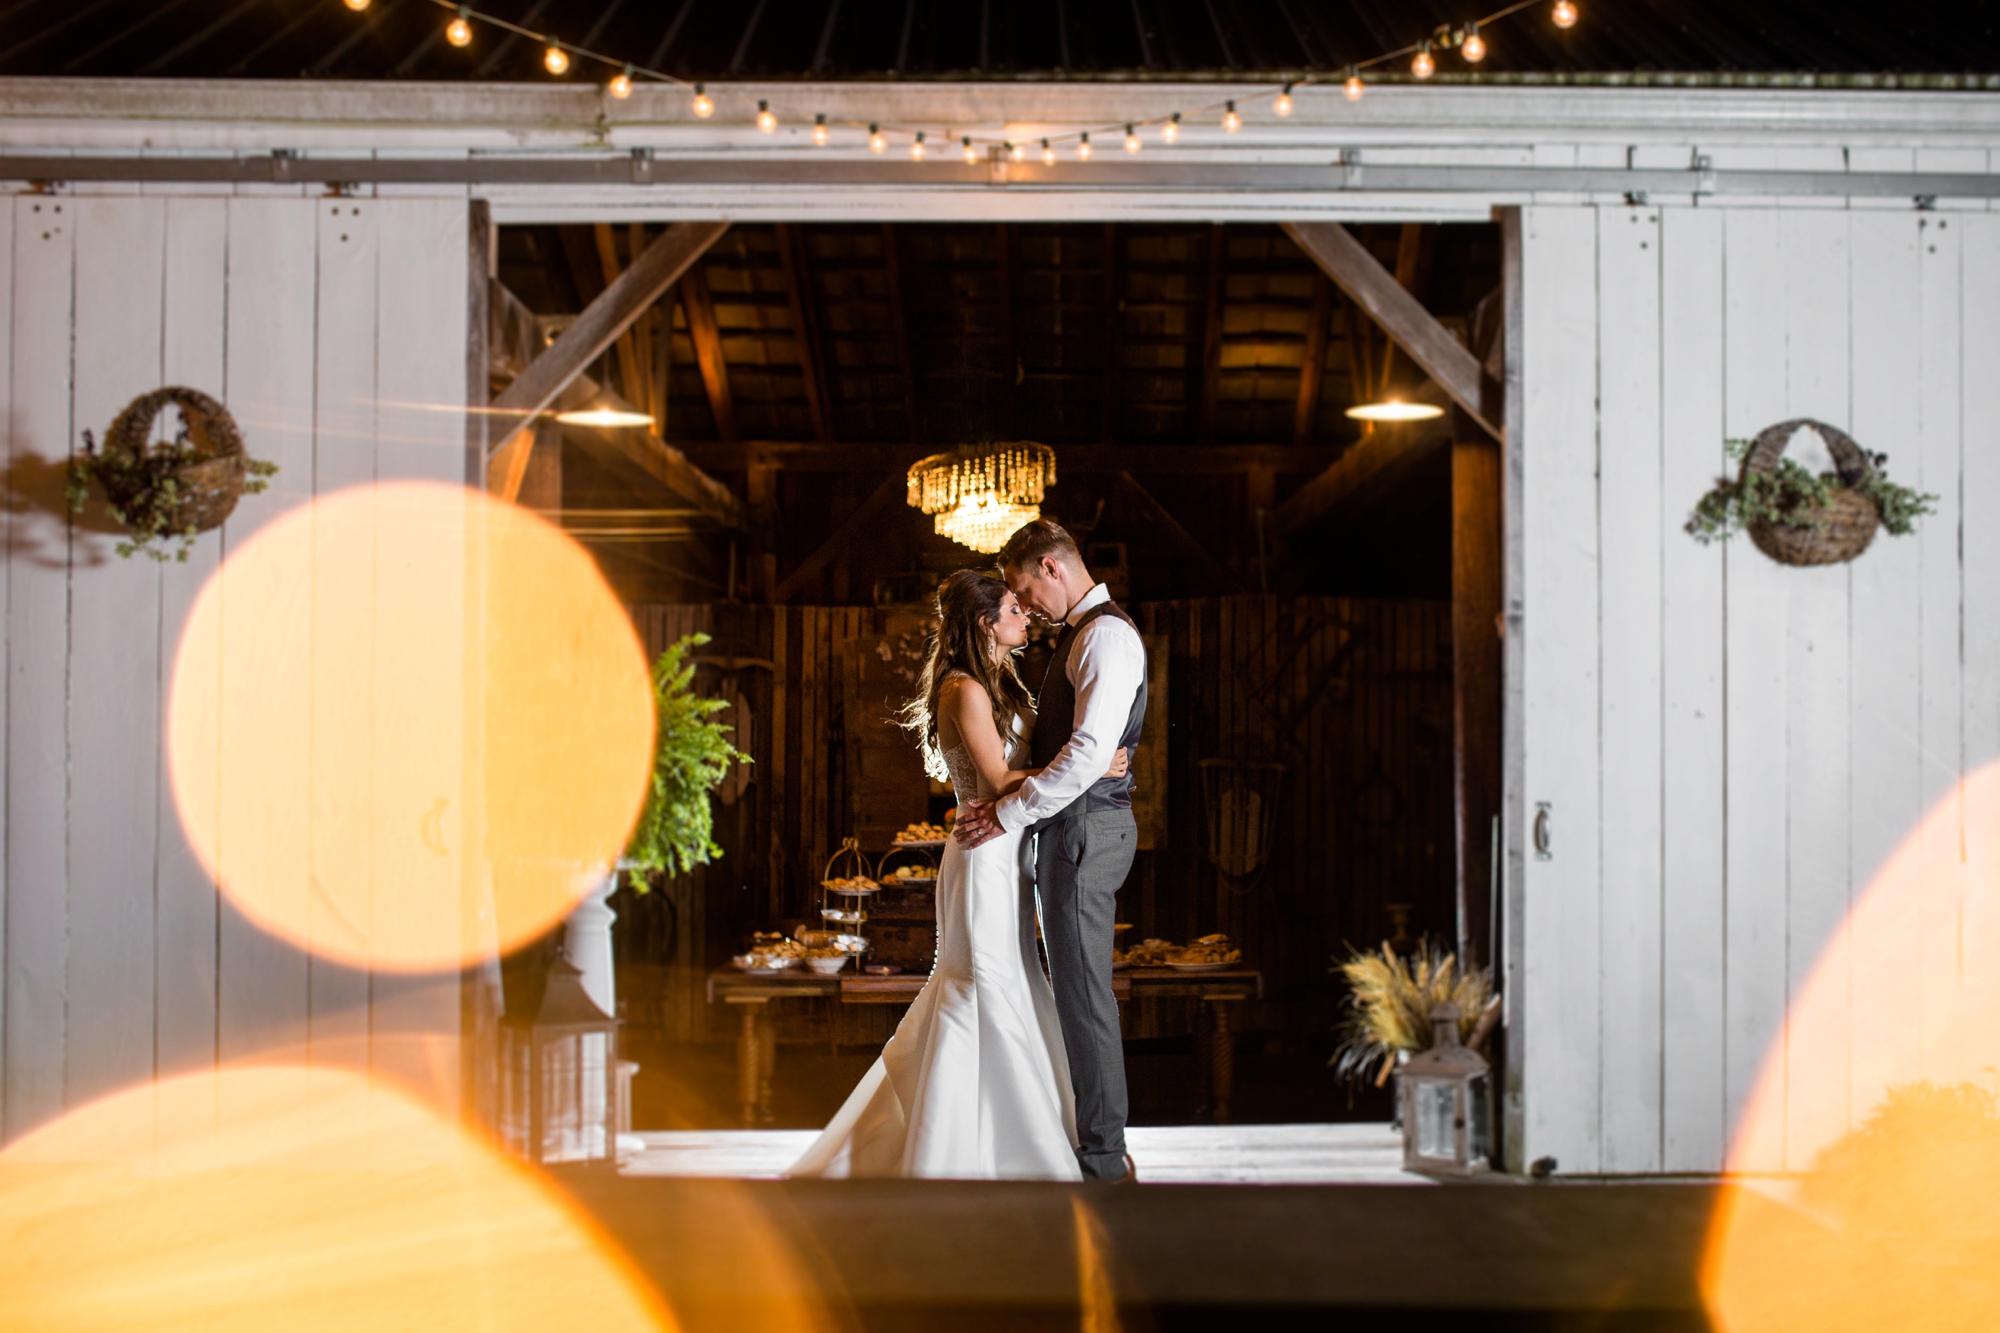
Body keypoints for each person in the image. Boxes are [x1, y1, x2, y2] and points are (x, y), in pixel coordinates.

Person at [789, 569, 1127, 1179]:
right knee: (980, 984)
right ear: (985, 623)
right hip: (982, 855)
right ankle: (965, 1146)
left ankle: (999, 1134)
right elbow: (997, 783)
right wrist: (1092, 764)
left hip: (1009, 849)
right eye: (1013, 609)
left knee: (1014, 978)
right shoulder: (964, 689)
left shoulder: (1001, 682)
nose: (1026, 616)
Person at [954, 519, 1148, 1185]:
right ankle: (1091, 1143)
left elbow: (1092, 750)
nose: (1024, 603)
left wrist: (1011, 810)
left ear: (1051, 567)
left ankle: (1101, 1161)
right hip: (1073, 825)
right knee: (1072, 991)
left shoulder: (1107, 636)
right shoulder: (1082, 637)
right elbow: (1086, 752)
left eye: (1021, 587)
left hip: (1088, 830)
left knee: (1084, 995)